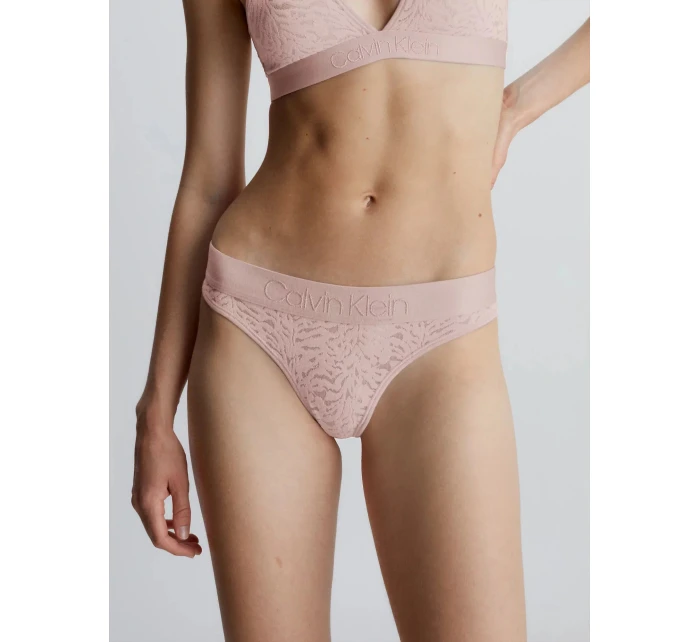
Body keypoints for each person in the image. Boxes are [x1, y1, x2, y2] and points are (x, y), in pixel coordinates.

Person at [131, 1, 590, 640]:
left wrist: (517, 105)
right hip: (259, 332)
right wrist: (155, 416)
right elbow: (209, 178)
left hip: (441, 339)